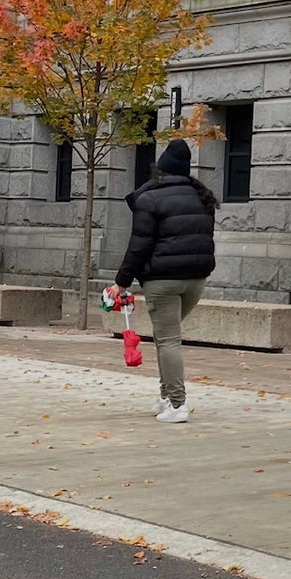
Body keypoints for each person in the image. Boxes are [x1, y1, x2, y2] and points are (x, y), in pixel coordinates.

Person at [107, 137, 217, 424]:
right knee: (165, 337)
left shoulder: (149, 198)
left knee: (168, 340)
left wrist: (121, 282)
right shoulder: (202, 196)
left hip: (162, 280)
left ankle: (178, 405)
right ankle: (167, 396)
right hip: (195, 280)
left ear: (161, 170)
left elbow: (138, 245)